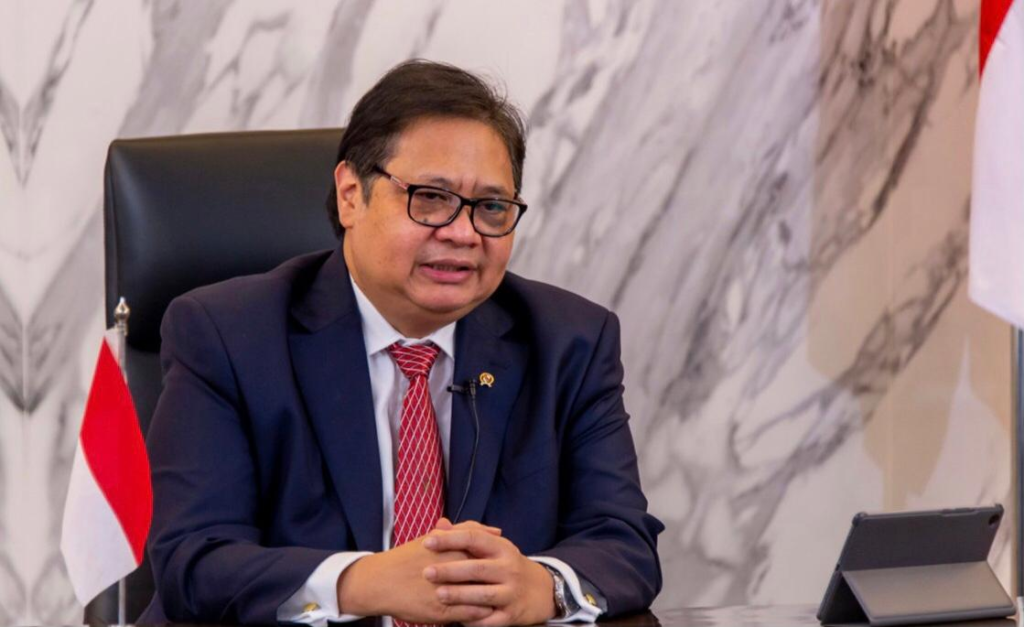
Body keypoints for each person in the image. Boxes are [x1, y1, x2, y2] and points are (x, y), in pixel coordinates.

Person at [138, 60, 663, 626]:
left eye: (491, 207)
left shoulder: (570, 342)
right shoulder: (227, 335)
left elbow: (623, 541)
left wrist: (545, 586)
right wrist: (361, 583)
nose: (462, 233)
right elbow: (193, 561)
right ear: (350, 195)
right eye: (431, 197)